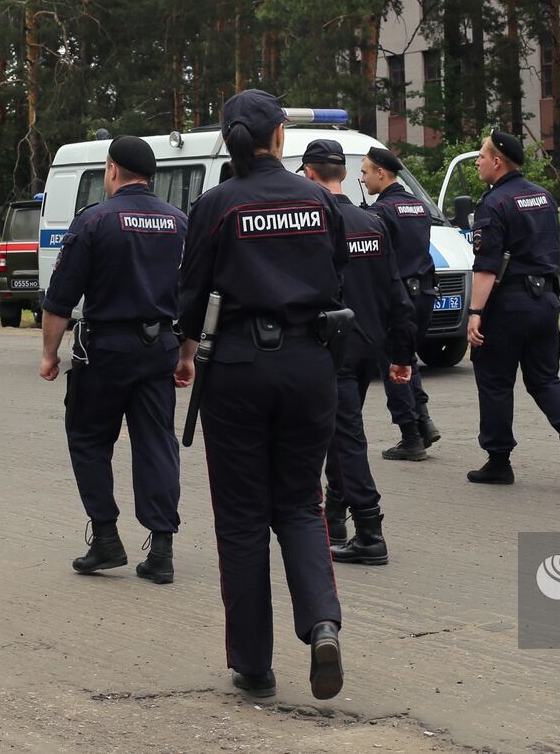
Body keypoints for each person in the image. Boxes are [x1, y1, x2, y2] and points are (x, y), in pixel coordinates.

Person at [176, 89, 347, 701]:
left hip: (240, 369)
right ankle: (323, 625)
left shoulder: (217, 205)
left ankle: (253, 664)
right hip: (309, 365)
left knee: (244, 519)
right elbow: (339, 277)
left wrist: (186, 352)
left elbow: (190, 291)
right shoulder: (318, 201)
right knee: (301, 505)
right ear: (280, 137)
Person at [38, 135, 187, 585]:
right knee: (157, 443)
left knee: (88, 439)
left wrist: (49, 353)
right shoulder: (180, 222)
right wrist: (186, 355)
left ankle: (106, 539)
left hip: (106, 351)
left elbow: (61, 298)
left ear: (113, 170)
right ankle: (161, 550)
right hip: (160, 346)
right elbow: (194, 297)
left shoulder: (94, 221)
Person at [299, 139, 415, 566]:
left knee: (345, 439)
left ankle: (370, 529)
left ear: (310, 174)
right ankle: (335, 518)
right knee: (340, 434)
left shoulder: (314, 224)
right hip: (369, 346)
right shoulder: (371, 221)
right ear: (343, 174)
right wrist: (402, 354)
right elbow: (396, 294)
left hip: (333, 351)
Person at [464, 130, 560, 487]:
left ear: (497, 161)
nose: (477, 162)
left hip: (508, 305)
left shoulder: (493, 204)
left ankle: (498, 460)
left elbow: (487, 266)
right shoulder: (543, 196)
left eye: (481, 156)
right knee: (545, 378)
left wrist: (474, 313)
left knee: (494, 381)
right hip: (545, 302)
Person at [360, 146, 440, 461]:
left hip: (396, 299)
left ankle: (410, 436)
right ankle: (424, 421)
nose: (363, 178)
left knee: (392, 366)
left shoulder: (380, 212)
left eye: (365, 172)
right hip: (423, 296)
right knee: (406, 358)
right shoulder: (418, 207)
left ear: (382, 172)